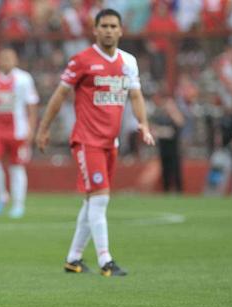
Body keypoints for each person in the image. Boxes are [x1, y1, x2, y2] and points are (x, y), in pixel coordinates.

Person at [35, 9, 155, 276]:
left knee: (92, 202)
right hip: (87, 140)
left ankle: (73, 258)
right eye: (104, 26)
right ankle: (105, 261)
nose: (109, 30)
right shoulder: (82, 60)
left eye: (114, 26)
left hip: (111, 142)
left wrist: (143, 123)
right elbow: (59, 95)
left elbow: (136, 96)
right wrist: (43, 128)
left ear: (121, 30)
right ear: (95, 30)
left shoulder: (128, 62)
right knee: (100, 200)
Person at [0, 47, 39, 219]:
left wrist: (31, 128)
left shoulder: (23, 78)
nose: (6, 61)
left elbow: (32, 105)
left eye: (10, 57)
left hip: (18, 130)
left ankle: (18, 205)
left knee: (17, 167)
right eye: (3, 57)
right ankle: (2, 195)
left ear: (15, 60)